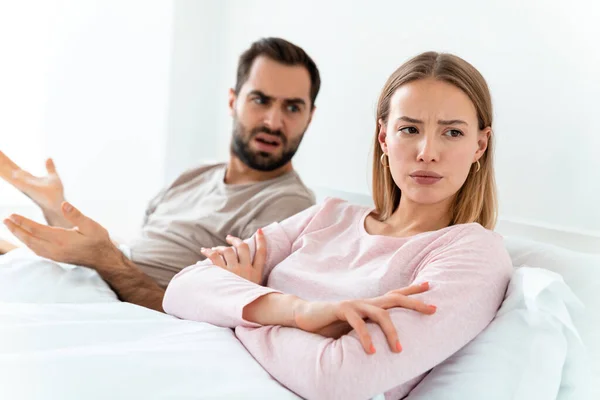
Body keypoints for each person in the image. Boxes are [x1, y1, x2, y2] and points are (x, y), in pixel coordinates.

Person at [162, 51, 513, 400]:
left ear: (479, 145)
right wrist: (303, 314)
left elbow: (336, 378)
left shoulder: (472, 253)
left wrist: (238, 312)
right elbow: (183, 288)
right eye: (409, 129)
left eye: (452, 132)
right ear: (384, 138)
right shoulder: (328, 215)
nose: (426, 151)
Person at [0, 37, 320, 312]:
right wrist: (56, 207)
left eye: (292, 108)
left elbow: (219, 313)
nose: (273, 122)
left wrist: (106, 259)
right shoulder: (196, 175)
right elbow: (133, 257)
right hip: (95, 285)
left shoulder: (290, 207)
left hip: (125, 302)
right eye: (260, 100)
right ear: (233, 101)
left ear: (309, 117)